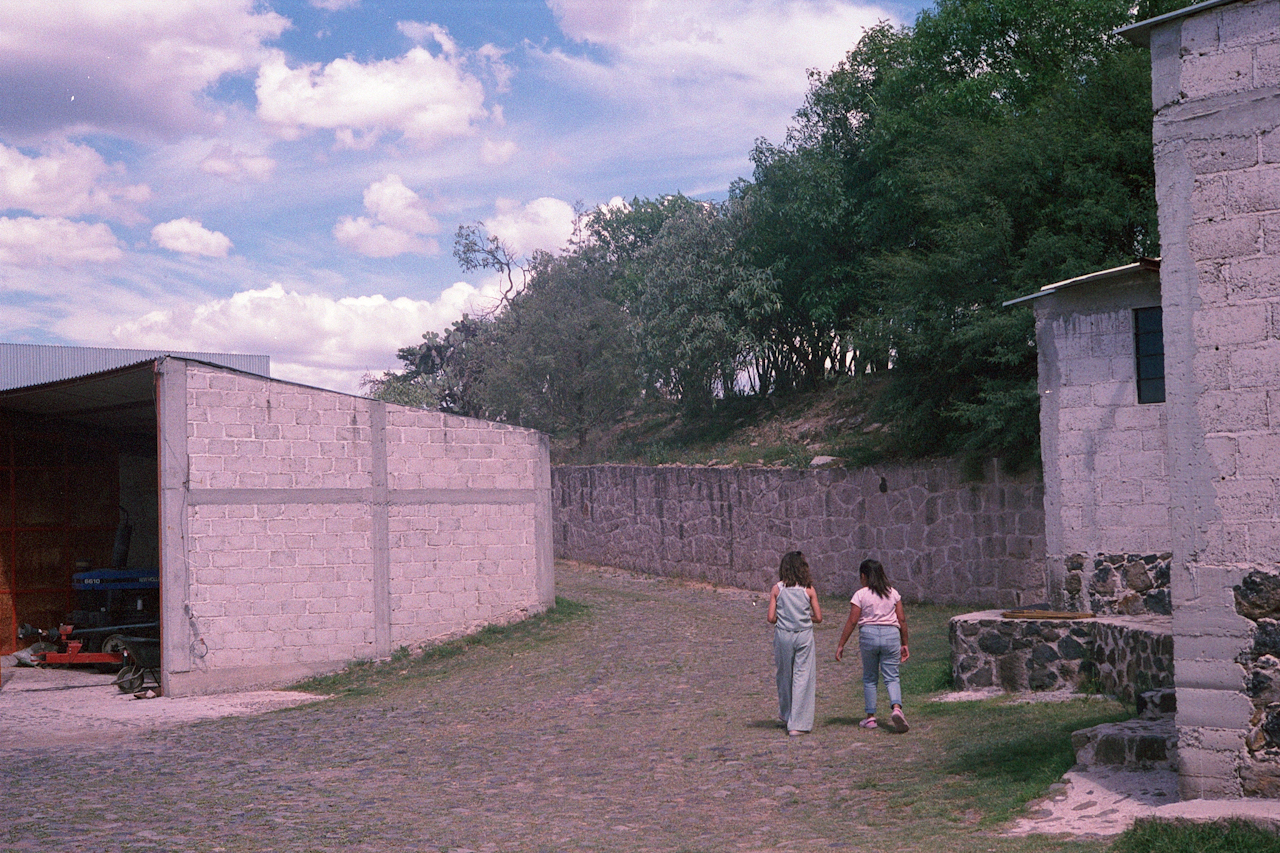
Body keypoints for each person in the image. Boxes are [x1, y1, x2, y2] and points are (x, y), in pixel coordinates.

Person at [835, 558, 910, 733]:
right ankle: (896, 708)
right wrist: (905, 643)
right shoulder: (893, 593)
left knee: (870, 677)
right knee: (892, 676)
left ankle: (870, 717)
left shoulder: (860, 595)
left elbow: (852, 620)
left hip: (868, 635)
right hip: (891, 635)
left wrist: (841, 644)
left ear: (864, 576)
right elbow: (902, 619)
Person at [767, 550, 823, 736]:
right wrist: (805, 618)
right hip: (804, 635)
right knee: (802, 676)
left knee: (784, 675)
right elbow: (818, 617)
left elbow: (771, 617)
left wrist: (785, 618)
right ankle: (798, 723)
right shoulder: (809, 590)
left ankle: (786, 713)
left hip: (784, 635)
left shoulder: (777, 589)